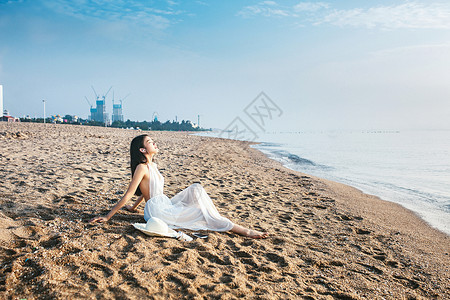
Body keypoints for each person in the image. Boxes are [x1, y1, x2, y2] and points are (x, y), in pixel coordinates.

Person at [89, 134, 268, 239]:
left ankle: (217, 219)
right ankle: (245, 231)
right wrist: (107, 216)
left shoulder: (153, 166)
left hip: (164, 203)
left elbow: (146, 191)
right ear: (142, 150)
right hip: (157, 211)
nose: (154, 143)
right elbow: (129, 193)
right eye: (150, 142)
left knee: (196, 190)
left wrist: (133, 207)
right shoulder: (141, 168)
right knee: (200, 213)